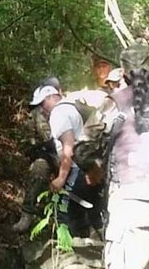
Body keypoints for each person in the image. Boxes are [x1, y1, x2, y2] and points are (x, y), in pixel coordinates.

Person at [74, 43, 149, 269]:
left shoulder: (114, 103)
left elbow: (82, 147)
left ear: (123, 73)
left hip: (134, 197)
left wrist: (94, 170)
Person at [31, 85, 102, 238]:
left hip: (77, 171)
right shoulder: (72, 107)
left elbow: (68, 148)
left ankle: (71, 256)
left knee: (66, 216)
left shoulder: (58, 113)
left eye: (42, 104)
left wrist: (61, 179)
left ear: (51, 98)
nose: (42, 109)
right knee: (92, 214)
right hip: (91, 167)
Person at [12, 77, 62, 233]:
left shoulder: (66, 106)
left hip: (68, 151)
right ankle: (27, 214)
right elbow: (47, 137)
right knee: (39, 169)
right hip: (47, 152)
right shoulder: (39, 112)